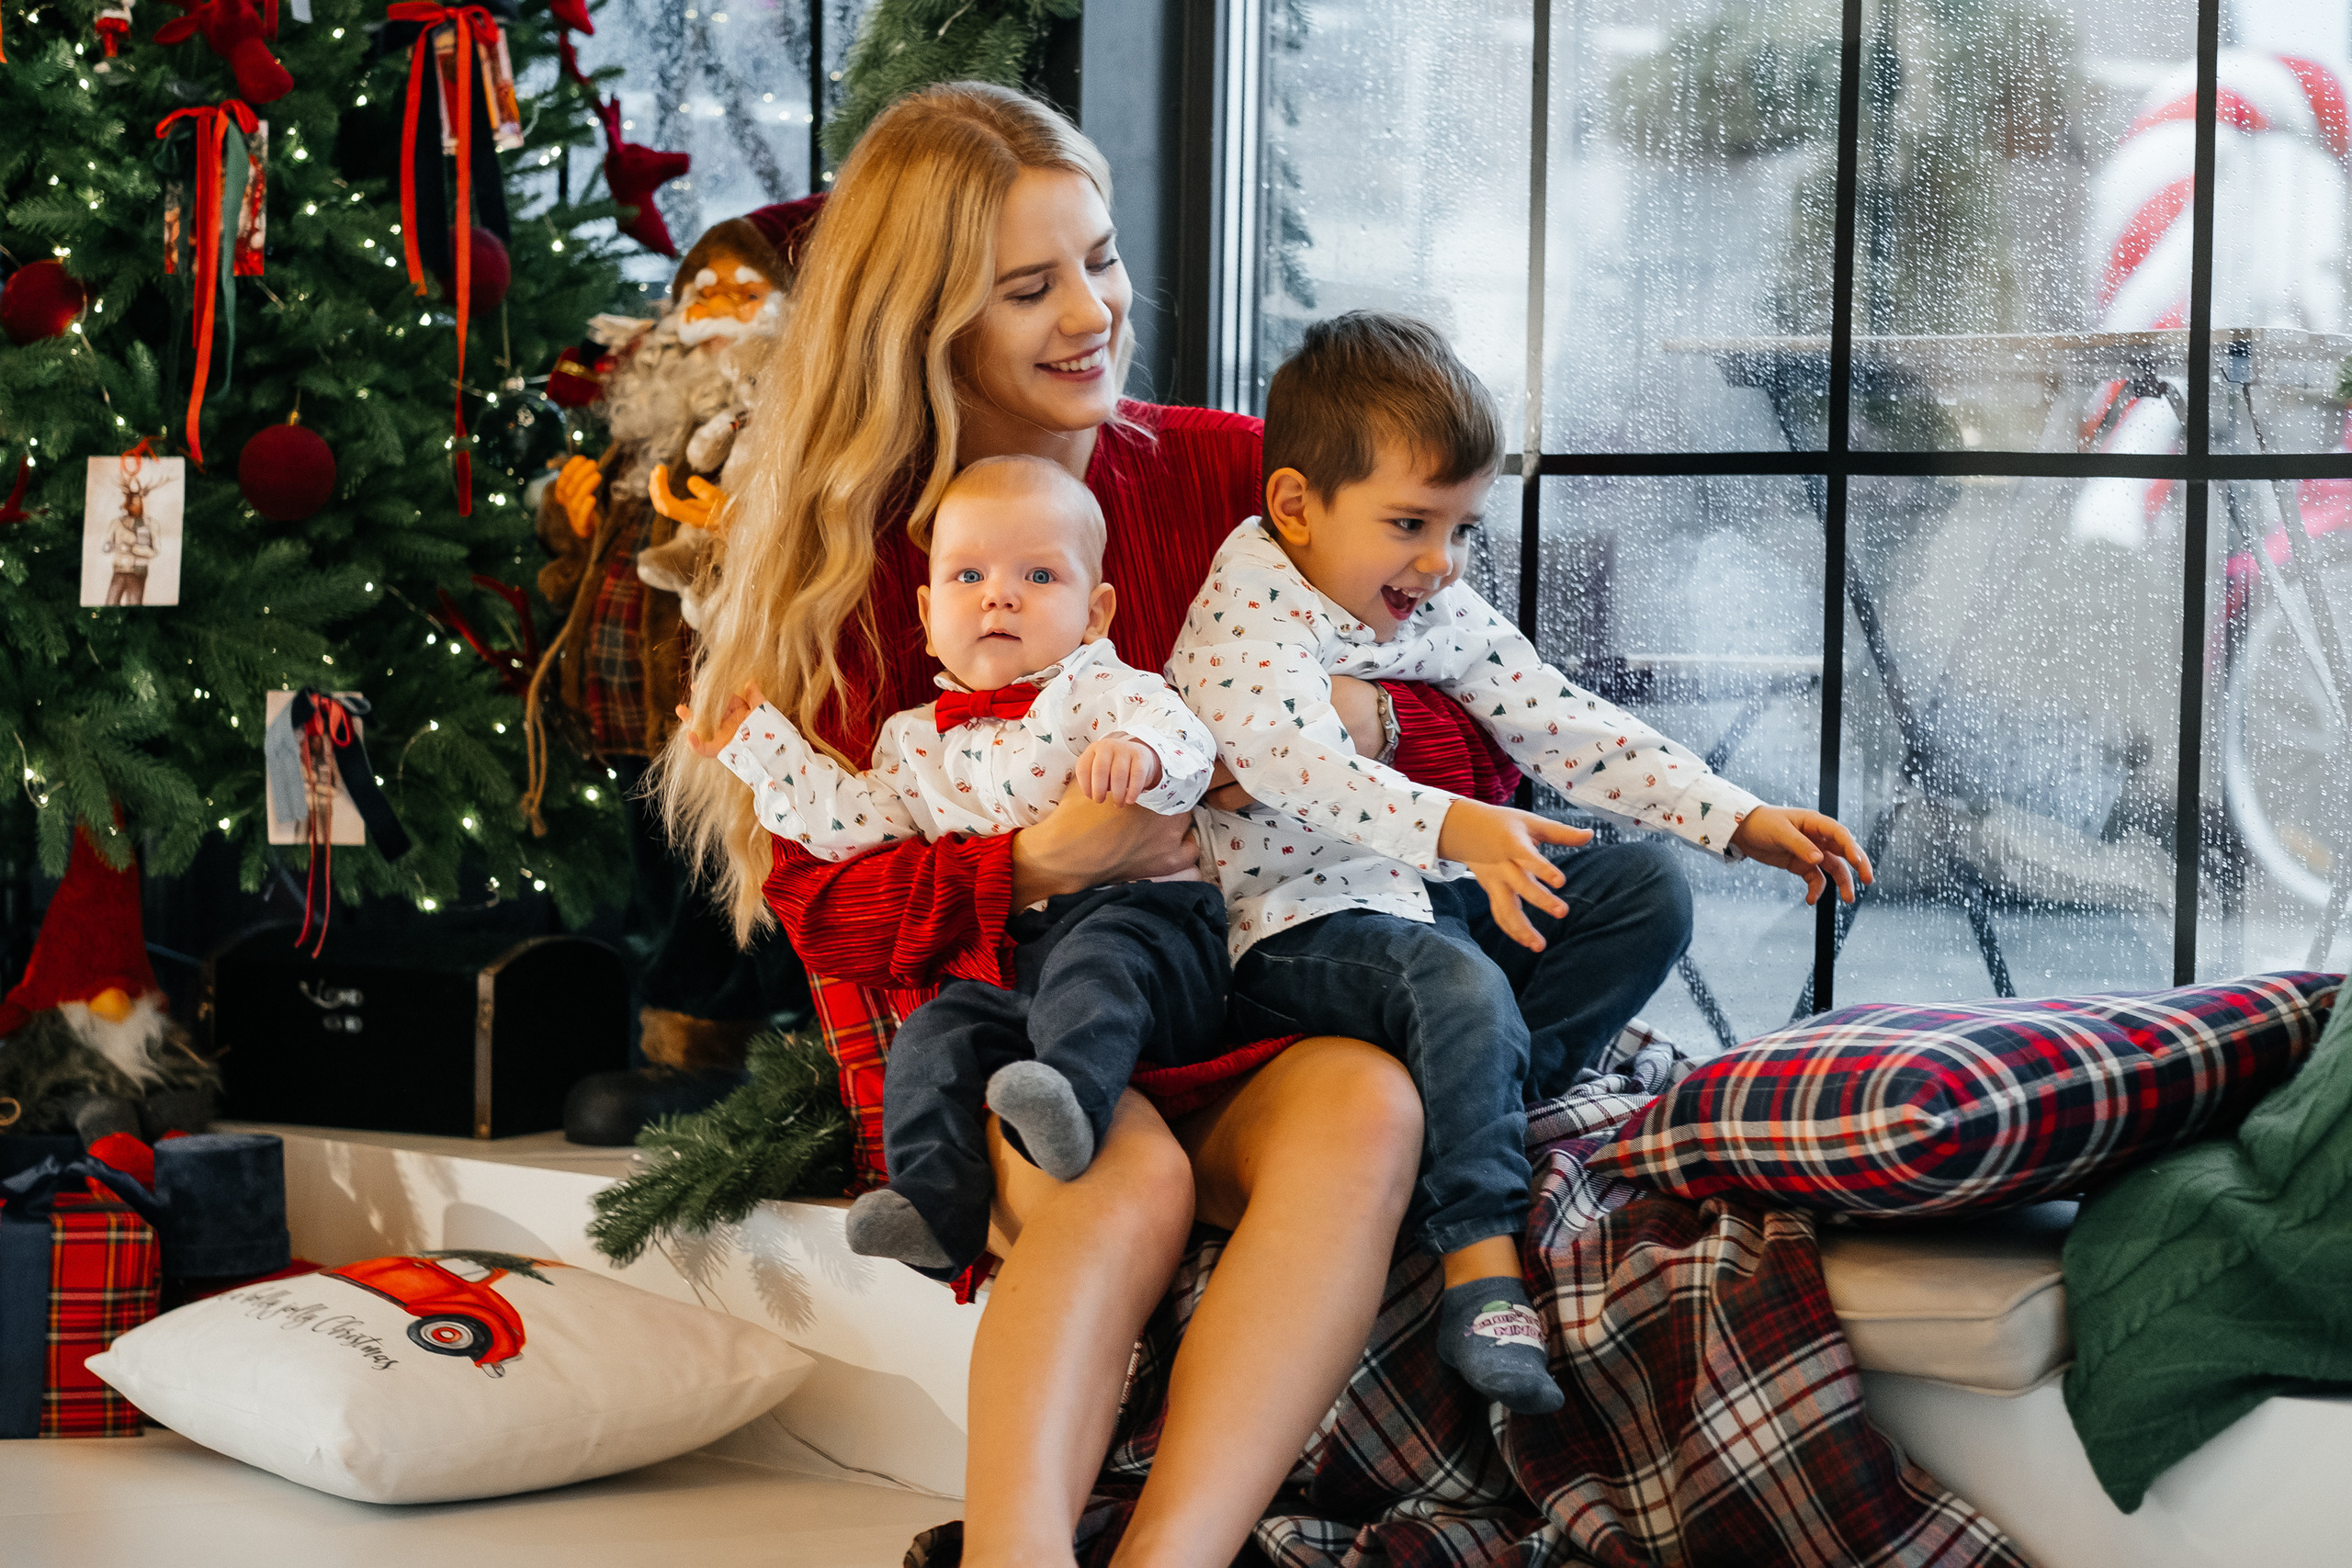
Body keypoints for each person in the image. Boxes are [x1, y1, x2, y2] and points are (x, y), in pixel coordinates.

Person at [658, 82, 1713, 1564]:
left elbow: (1476, 722)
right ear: (927, 322)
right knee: (1119, 1168)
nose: (1092, 309)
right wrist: (1031, 862)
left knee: (1372, 1105)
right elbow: (822, 900)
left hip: (1251, 976)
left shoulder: (1235, 476)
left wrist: (1340, 732)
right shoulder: (874, 559)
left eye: (1100, 258)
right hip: (1011, 1018)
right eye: (1031, 287)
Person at [1172, 310, 1875, 1416]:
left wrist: (1732, 815)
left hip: (1426, 901)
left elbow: (1555, 716)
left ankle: (1487, 1111)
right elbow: (1290, 765)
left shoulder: (1419, 597)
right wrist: (1458, 828)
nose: (1438, 561)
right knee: (1452, 981)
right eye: (1410, 522)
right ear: (1296, 505)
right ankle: (1480, 1262)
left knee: (1641, 888)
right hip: (1295, 931)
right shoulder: (1247, 614)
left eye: (1459, 526)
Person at [688, 457, 1227, 1279]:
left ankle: (1070, 1102)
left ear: (1096, 611)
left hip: (1150, 935)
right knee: (936, 1034)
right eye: (968, 573)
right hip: (1015, 957)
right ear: (928, 610)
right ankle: (935, 1208)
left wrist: (1142, 752)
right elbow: (856, 829)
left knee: (1100, 958)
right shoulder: (913, 739)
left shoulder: (1104, 686)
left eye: (1039, 574)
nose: (999, 594)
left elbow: (1187, 736)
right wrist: (762, 750)